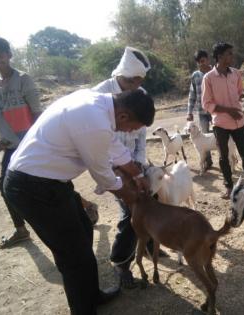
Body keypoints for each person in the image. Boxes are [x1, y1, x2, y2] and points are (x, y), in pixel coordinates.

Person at [4, 89, 155, 315]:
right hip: (32, 187)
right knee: (73, 255)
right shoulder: (94, 122)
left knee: (84, 230)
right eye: (133, 127)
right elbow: (103, 175)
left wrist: (138, 175)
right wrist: (133, 199)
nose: (131, 132)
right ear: (123, 116)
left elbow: (114, 146)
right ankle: (83, 310)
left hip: (49, 181)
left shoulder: (100, 106)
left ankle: (92, 294)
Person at [92, 46, 154, 288]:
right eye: (135, 81)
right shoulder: (100, 94)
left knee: (149, 198)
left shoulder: (140, 93)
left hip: (134, 161)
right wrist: (124, 170)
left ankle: (149, 244)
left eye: (141, 82)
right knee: (130, 211)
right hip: (112, 164)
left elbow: (141, 132)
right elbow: (104, 141)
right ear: (126, 78)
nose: (139, 86)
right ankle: (121, 262)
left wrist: (138, 161)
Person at [0, 36, 42, 249]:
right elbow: (2, 114)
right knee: (4, 186)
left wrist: (40, 143)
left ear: (9, 55)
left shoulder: (24, 79)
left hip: (30, 144)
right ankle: (21, 230)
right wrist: (1, 140)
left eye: (0, 55)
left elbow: (37, 113)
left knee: (49, 182)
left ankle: (84, 205)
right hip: (10, 146)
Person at [202, 42, 244, 199]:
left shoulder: (236, 74)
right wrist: (228, 111)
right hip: (220, 124)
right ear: (219, 57)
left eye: (232, 53)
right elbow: (206, 104)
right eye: (229, 54)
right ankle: (229, 186)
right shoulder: (209, 78)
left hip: (238, 121)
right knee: (224, 156)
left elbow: (238, 93)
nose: (232, 56)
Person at [187, 49, 213, 169]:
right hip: (202, 112)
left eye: (203, 60)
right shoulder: (195, 75)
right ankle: (208, 161)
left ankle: (225, 159)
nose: (201, 63)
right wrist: (189, 112)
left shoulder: (215, 72)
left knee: (220, 135)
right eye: (199, 62)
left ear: (208, 59)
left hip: (216, 111)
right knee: (204, 136)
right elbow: (192, 94)